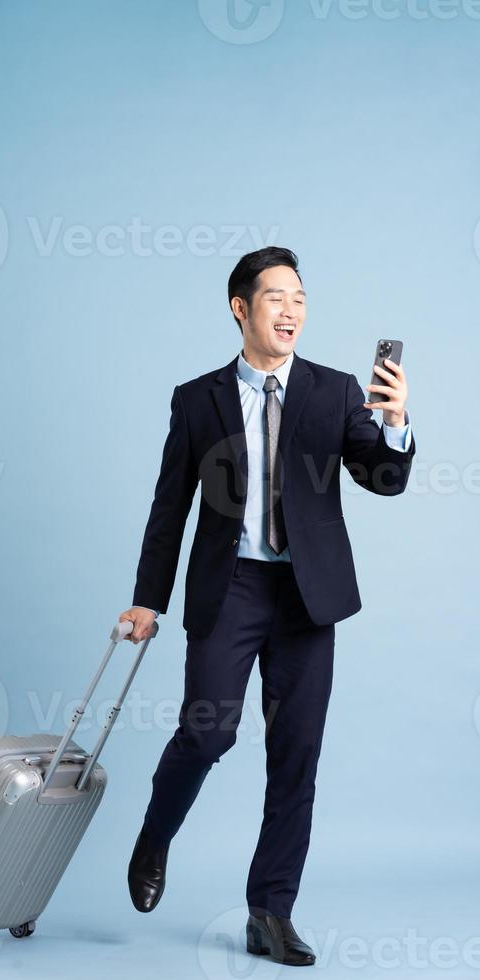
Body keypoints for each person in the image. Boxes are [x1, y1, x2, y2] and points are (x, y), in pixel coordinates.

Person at [118, 246, 415, 966]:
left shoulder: (335, 390)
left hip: (307, 598)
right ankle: (157, 833)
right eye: (276, 297)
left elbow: (381, 480)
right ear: (240, 308)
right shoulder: (198, 399)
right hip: (232, 589)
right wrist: (146, 603)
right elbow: (169, 510)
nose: (292, 311)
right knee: (206, 733)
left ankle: (270, 911)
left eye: (301, 299)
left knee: (296, 758)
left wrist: (395, 424)